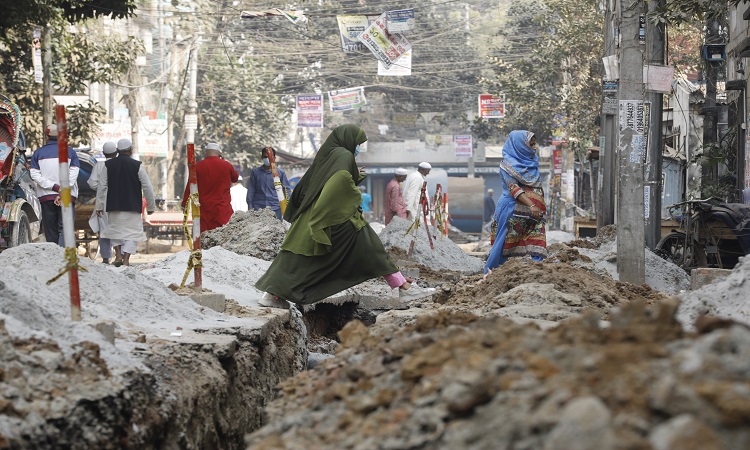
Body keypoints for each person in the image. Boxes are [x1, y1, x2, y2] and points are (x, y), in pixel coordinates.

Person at [255, 124, 427, 308]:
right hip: (334, 217)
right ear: (349, 140)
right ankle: (404, 288)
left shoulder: (330, 154)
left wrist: (353, 177)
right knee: (372, 249)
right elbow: (339, 182)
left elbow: (326, 180)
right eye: (358, 143)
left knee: (297, 259)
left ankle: (271, 294)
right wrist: (353, 191)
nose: (358, 148)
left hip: (314, 215)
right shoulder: (344, 155)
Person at [485, 130, 547, 274]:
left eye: (534, 144)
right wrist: (531, 205)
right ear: (520, 146)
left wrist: (536, 206)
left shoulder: (532, 164)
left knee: (537, 240)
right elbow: (513, 188)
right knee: (505, 243)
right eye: (530, 145)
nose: (534, 148)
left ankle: (537, 271)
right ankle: (492, 272)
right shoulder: (507, 166)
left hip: (535, 213)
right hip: (512, 210)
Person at [95, 139, 156, 266]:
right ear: (130, 150)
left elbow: (101, 186)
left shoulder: (108, 165)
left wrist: (99, 205)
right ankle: (126, 259)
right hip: (132, 206)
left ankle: (118, 255)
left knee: (115, 231)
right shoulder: (137, 165)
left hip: (113, 205)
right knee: (132, 233)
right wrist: (151, 206)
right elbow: (147, 187)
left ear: (118, 151)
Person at [30, 124, 80, 247]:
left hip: (46, 197)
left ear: (47, 137)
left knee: (50, 229)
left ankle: (53, 259)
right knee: (65, 229)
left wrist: (54, 187)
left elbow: (35, 176)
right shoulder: (70, 152)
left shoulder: (38, 153)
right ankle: (63, 258)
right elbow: (73, 176)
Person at [182, 142, 239, 233]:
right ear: (219, 153)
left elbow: (190, 186)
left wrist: (184, 203)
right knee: (223, 234)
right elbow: (235, 178)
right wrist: (224, 161)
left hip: (204, 209)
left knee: (205, 236)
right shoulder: (226, 165)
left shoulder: (198, 166)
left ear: (206, 153)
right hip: (222, 208)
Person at [87, 141, 117, 263]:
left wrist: (102, 188)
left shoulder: (99, 166)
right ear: (116, 153)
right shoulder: (120, 164)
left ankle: (106, 257)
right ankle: (121, 256)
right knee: (119, 228)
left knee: (104, 230)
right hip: (119, 200)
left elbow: (91, 183)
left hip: (103, 201)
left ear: (104, 153)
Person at [246, 147, 291, 220]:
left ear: (274, 158)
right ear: (262, 158)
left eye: (269, 157)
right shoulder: (255, 172)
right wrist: (250, 206)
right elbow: (251, 190)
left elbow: (287, 190)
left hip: (276, 209)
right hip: (258, 209)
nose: (267, 159)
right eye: (265, 157)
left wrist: (287, 206)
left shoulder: (280, 173)